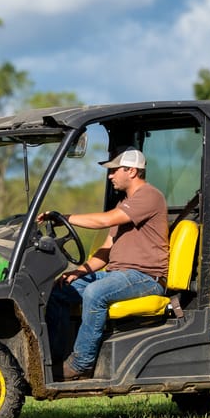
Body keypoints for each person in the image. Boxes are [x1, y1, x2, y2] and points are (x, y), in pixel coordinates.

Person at [39, 146, 169, 380]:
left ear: (131, 171)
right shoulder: (124, 204)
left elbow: (105, 220)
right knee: (59, 290)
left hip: (147, 279)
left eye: (114, 170)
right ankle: (54, 360)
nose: (110, 176)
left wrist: (64, 218)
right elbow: (107, 250)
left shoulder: (149, 196)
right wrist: (78, 272)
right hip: (119, 276)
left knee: (95, 292)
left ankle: (81, 365)